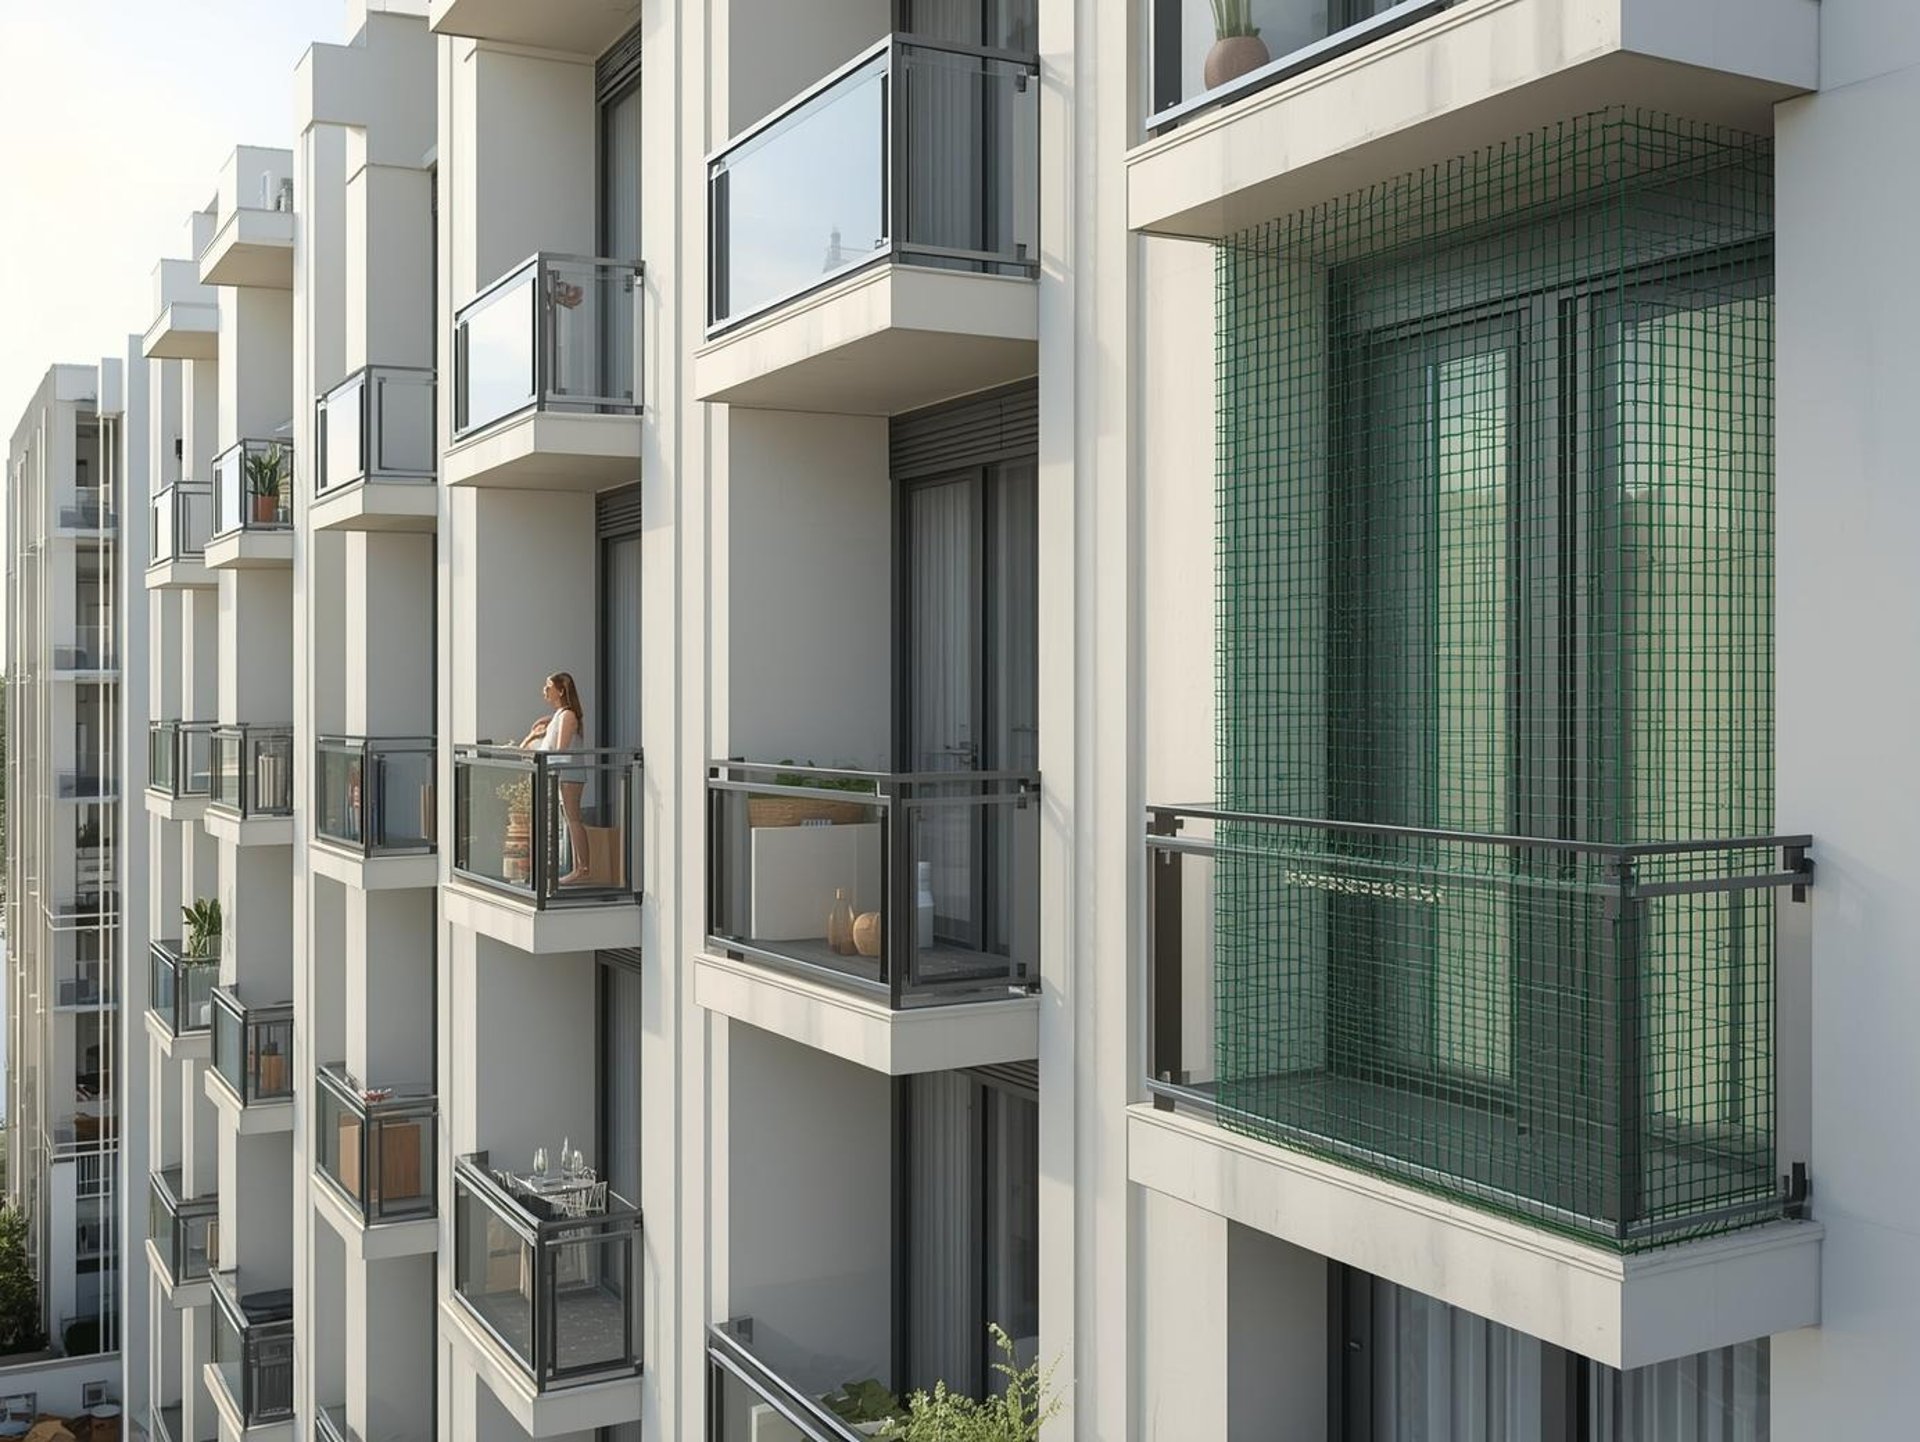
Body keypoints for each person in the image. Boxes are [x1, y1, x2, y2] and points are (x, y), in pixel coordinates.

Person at [520, 672, 590, 885]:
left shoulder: (568, 716)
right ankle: (579, 868)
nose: (544, 690)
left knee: (573, 819)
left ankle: (583, 868)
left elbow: (560, 750)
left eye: (548, 686)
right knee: (570, 820)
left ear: (560, 691)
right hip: (562, 775)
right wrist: (534, 734)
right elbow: (526, 748)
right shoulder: (560, 716)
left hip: (570, 775)